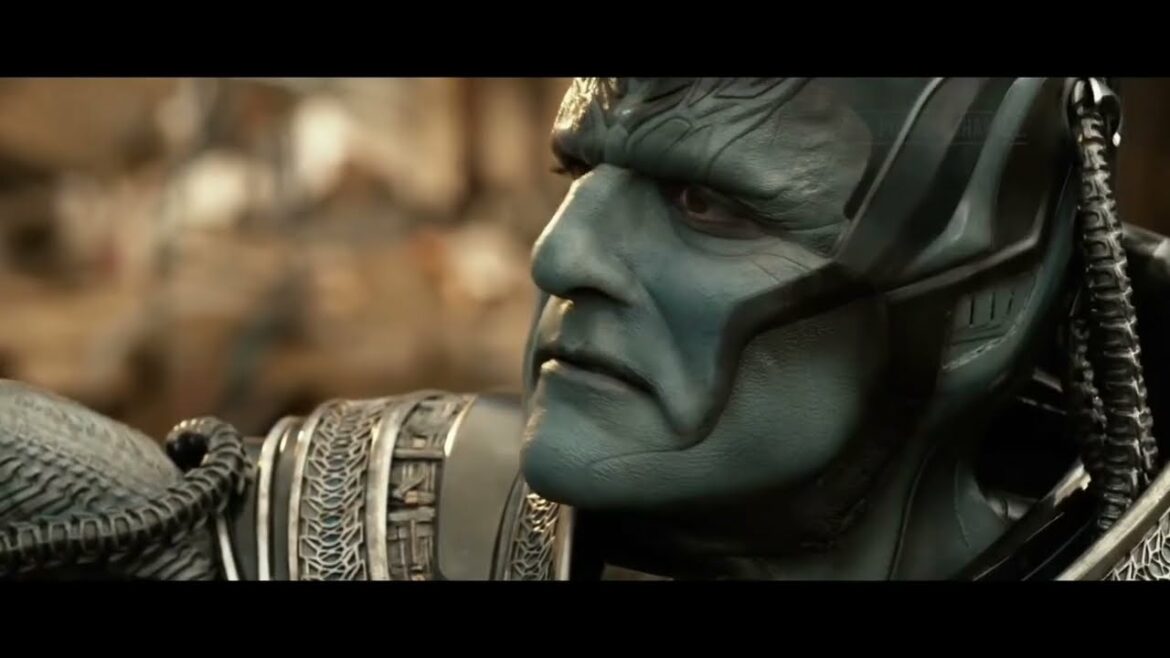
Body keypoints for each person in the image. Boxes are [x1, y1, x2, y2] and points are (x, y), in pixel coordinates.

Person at [2, 77, 1168, 581]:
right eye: (580, 171)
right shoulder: (434, 531)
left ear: (983, 304)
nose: (558, 255)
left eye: (708, 203)